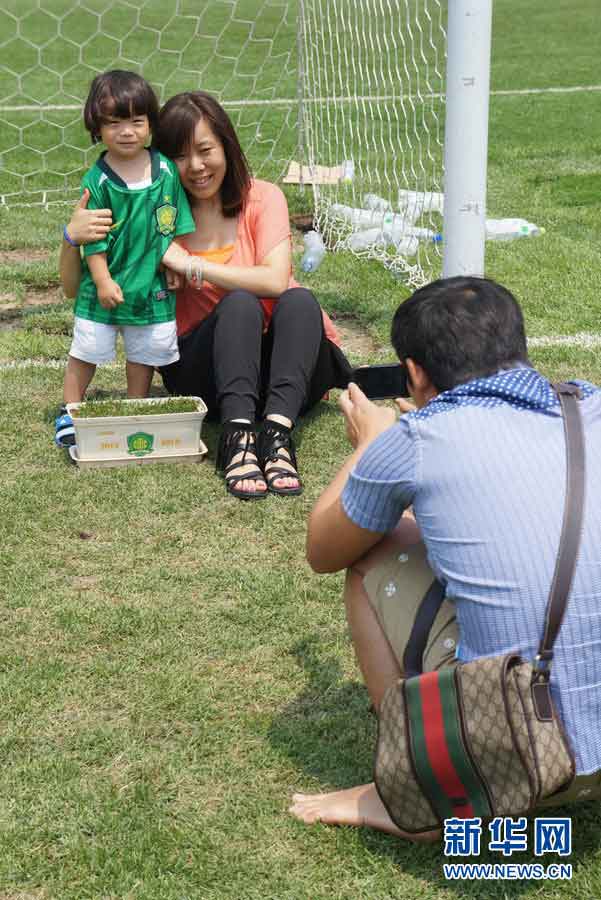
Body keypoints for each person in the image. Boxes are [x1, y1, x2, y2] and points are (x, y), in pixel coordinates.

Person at [289, 276, 601, 840]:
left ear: (414, 373)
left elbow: (323, 549)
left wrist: (369, 446)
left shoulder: (417, 439)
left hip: (516, 749)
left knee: (368, 557)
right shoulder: (589, 407)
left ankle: (420, 782)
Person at [61, 90, 351, 495]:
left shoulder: (262, 196)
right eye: (179, 155)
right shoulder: (151, 214)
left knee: (298, 300)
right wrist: (70, 238)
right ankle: (236, 440)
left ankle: (276, 435)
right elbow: (76, 290)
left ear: (226, 148)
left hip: (288, 374)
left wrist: (190, 264)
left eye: (205, 150)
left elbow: (275, 281)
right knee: (239, 306)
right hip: (207, 374)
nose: (195, 166)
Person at [55, 70, 198, 448]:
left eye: (137, 121)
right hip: (103, 288)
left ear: (151, 123)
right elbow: (93, 239)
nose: (127, 131)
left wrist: (173, 264)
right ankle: (70, 410)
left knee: (145, 349)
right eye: (114, 123)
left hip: (150, 286)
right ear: (97, 128)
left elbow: (175, 222)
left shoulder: (166, 170)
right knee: (86, 350)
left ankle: (137, 406)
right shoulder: (97, 181)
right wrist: (101, 279)